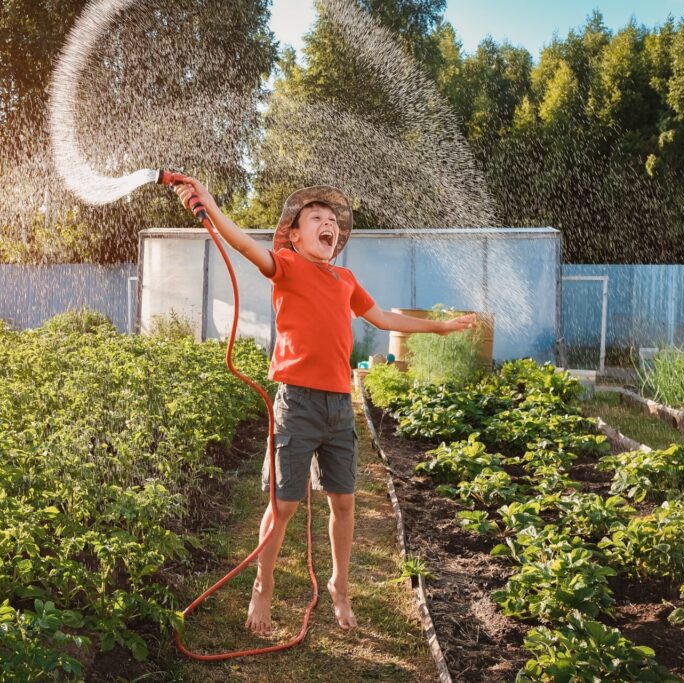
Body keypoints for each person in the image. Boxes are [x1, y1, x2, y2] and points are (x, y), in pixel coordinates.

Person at [172, 177, 477, 634]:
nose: (328, 223)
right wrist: (209, 202)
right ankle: (264, 585)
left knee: (345, 502)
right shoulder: (287, 264)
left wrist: (441, 327)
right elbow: (239, 242)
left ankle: (339, 585)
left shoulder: (346, 279)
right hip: (296, 404)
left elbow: (382, 317)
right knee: (284, 504)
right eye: (316, 218)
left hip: (338, 406)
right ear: (294, 234)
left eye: (332, 220)